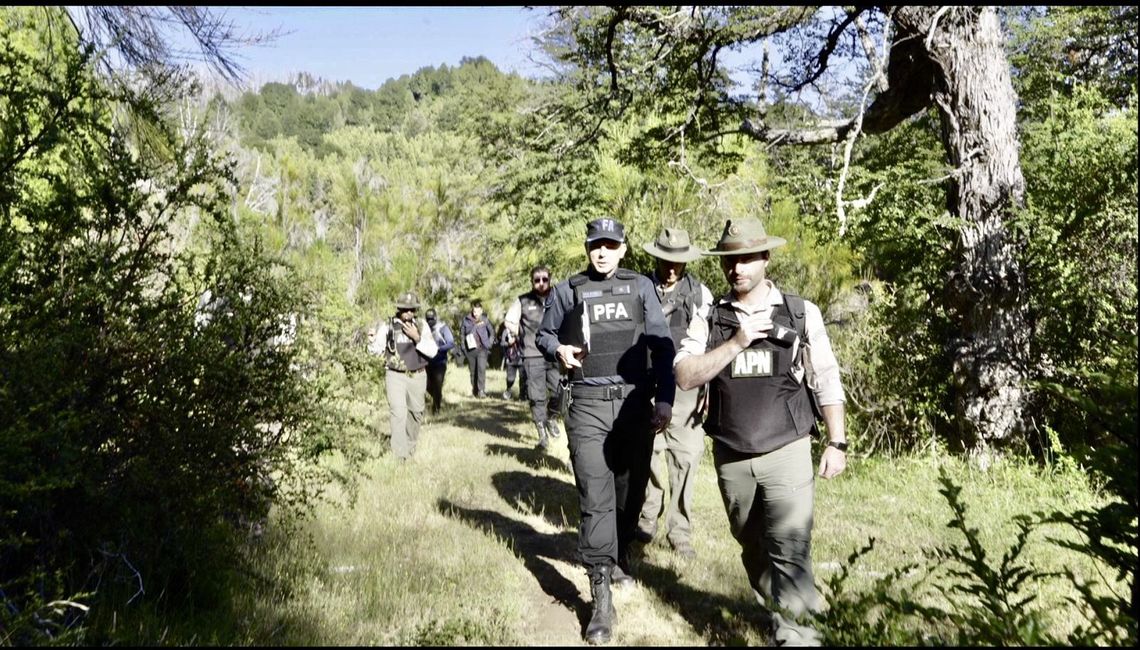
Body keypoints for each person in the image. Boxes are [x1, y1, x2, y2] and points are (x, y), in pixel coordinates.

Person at [674, 217, 848, 647]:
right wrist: (735, 343)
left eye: (748, 258)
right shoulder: (710, 316)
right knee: (753, 549)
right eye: (732, 260)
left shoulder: (800, 312)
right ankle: (787, 613)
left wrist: (837, 441)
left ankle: (798, 636)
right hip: (732, 455)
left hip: (787, 449)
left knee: (790, 548)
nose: (738, 268)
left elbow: (825, 376)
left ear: (766, 259)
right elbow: (683, 374)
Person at [536, 218, 675, 645]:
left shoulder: (640, 288)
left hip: (634, 404)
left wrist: (665, 399)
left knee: (628, 492)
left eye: (610, 245)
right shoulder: (568, 290)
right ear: (587, 248)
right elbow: (543, 334)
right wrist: (557, 349)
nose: (602, 252)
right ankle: (600, 597)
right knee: (595, 496)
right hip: (587, 404)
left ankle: (618, 556)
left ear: (622, 248)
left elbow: (663, 346)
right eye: (596, 244)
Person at [635, 227, 715, 559]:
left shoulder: (700, 294)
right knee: (649, 455)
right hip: (647, 384)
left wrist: (708, 389)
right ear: (656, 257)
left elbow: (711, 345)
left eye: (678, 262)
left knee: (686, 459)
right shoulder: (638, 289)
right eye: (666, 260)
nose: (671, 268)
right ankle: (646, 517)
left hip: (686, 389)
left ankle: (679, 530)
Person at [503, 264, 563, 450]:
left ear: (550, 279)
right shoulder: (522, 300)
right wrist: (517, 334)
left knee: (559, 391)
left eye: (545, 279)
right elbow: (509, 320)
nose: (541, 283)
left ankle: (552, 417)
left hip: (555, 353)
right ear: (532, 282)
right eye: (537, 280)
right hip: (532, 354)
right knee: (536, 397)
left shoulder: (558, 296)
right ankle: (542, 434)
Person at [373, 292, 438, 461]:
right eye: (405, 309)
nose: (409, 313)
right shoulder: (388, 326)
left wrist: (417, 338)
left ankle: (409, 448)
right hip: (395, 375)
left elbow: (433, 351)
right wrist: (371, 342)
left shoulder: (422, 325)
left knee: (416, 413)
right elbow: (376, 351)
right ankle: (399, 455)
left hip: (417, 375)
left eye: (412, 310)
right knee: (398, 412)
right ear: (399, 309)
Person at [460, 299, 495, 398]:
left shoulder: (485, 320)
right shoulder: (466, 320)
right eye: (474, 311)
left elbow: (492, 333)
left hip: (482, 349)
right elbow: (462, 334)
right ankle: (474, 391)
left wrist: (489, 343)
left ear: (481, 310)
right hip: (470, 350)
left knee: (481, 370)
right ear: (472, 310)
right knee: (473, 371)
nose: (476, 314)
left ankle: (481, 391)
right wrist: (463, 347)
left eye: (478, 311)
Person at [425, 308, 455, 415]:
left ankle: (436, 409)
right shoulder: (424, 328)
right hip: (427, 362)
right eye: (427, 319)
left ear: (436, 317)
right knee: (427, 385)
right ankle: (438, 398)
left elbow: (451, 343)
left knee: (438, 385)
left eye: (431, 319)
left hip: (440, 363)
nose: (430, 321)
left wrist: (439, 349)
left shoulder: (443, 328)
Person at [498, 322, 524, 401]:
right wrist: (508, 343)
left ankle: (522, 396)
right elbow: (502, 343)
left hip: (521, 357)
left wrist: (517, 338)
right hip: (510, 358)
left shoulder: (522, 329)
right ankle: (508, 390)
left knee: (523, 378)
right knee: (510, 379)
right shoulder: (506, 331)